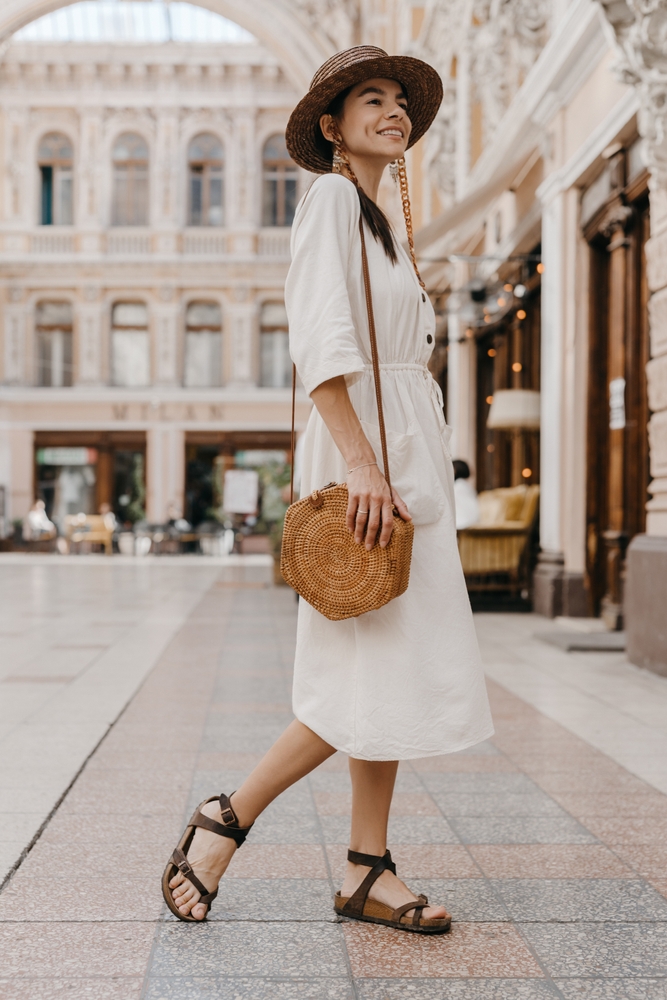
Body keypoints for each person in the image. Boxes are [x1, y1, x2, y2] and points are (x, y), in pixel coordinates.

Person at [163, 45, 493, 933]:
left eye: (399, 102)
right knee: (366, 667)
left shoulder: (384, 216)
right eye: (372, 101)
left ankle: (364, 868)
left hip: (401, 455)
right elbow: (320, 343)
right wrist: (358, 462)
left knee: (382, 666)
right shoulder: (333, 201)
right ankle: (224, 820)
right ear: (332, 126)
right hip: (368, 461)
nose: (393, 112)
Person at [453, 459, 481, 529]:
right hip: (469, 522)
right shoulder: (465, 485)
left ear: (455, 470)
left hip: (463, 523)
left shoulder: (459, 486)